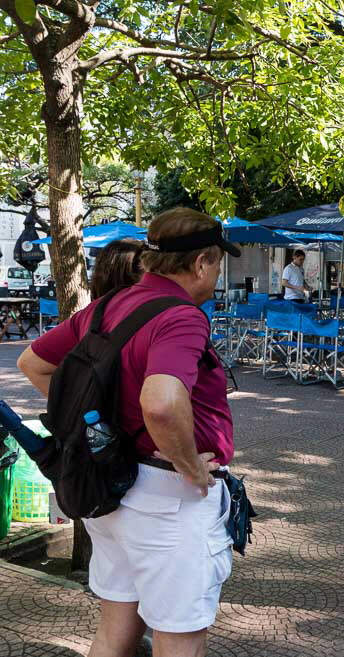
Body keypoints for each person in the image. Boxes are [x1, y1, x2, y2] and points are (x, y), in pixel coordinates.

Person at [17, 208, 241, 657]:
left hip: (110, 490)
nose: (216, 274)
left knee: (114, 633)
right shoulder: (182, 316)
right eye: (217, 263)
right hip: (167, 499)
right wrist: (191, 464)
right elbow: (160, 404)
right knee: (179, 640)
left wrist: (98, 428)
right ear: (201, 263)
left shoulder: (107, 305)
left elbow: (34, 364)